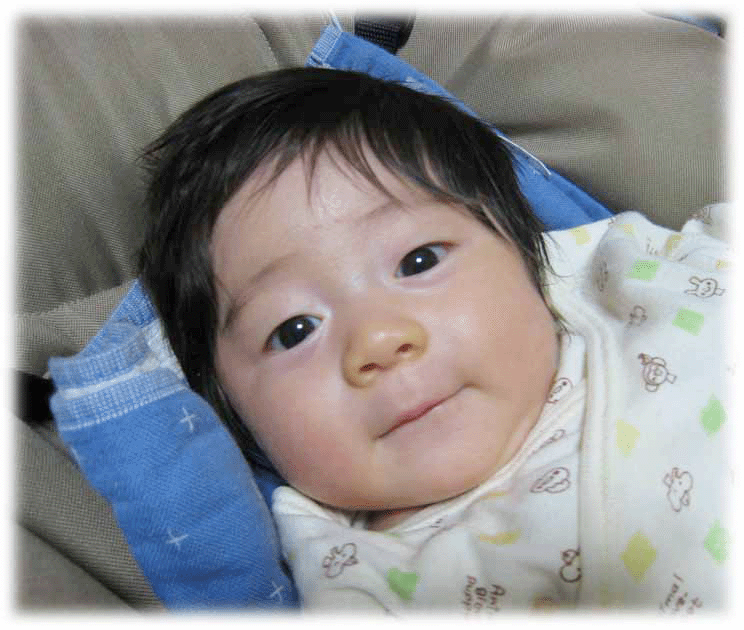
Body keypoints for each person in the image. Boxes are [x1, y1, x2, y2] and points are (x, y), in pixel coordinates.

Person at [138, 67, 729, 613]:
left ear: (526, 254)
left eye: (419, 261)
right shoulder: (359, 583)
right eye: (295, 330)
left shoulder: (637, 285)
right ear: (230, 415)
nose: (378, 339)